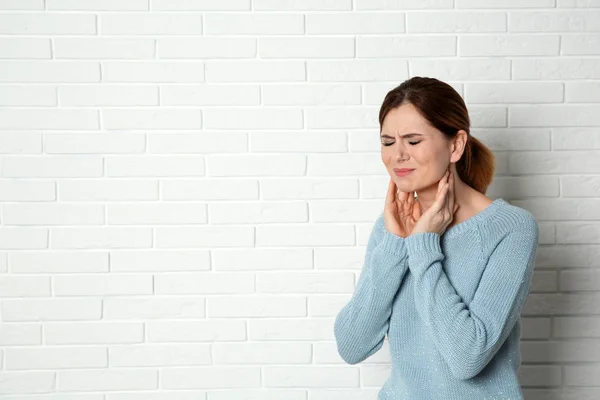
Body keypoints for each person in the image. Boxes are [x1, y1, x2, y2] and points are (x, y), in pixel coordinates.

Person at [333, 77, 539, 400]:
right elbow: (351, 344)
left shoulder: (511, 229)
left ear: (455, 145)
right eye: (388, 142)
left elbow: (467, 357)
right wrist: (395, 244)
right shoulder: (390, 229)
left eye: (413, 141)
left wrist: (422, 246)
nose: (398, 155)